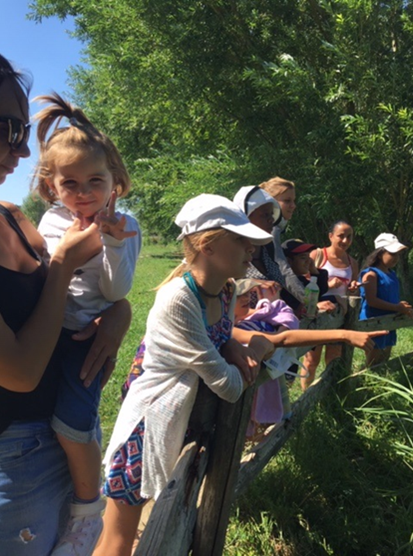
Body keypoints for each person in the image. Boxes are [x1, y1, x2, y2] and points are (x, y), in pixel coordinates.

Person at [0, 54, 131, 556]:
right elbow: (18, 372)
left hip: (66, 426)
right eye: (6, 128)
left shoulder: (15, 218)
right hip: (12, 457)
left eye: (20, 132)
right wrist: (60, 267)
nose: (18, 147)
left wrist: (117, 314)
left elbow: (87, 293)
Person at [95, 194, 275, 556]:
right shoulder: (179, 299)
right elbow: (227, 385)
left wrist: (231, 346)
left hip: (182, 426)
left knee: (166, 525)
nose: (250, 250)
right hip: (147, 431)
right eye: (240, 239)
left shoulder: (223, 292)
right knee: (118, 540)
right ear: (208, 244)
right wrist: (256, 349)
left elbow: (220, 342)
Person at [31, 93, 141, 555]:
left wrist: (112, 245)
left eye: (95, 181)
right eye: (69, 182)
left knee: (71, 423)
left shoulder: (124, 225)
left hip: (81, 336)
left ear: (115, 182)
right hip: (45, 331)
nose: (83, 193)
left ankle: (87, 507)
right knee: (47, 421)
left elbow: (116, 294)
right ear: (51, 186)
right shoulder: (52, 222)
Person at [234, 278, 299, 438]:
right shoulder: (228, 327)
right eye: (239, 295)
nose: (246, 298)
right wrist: (343, 335)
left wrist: (282, 328)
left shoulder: (250, 314)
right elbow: (276, 339)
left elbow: (282, 311)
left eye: (248, 294)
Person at [300, 220, 359, 389]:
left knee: (334, 358)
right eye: (341, 236)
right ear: (331, 236)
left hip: (339, 316)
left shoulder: (352, 262)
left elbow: (351, 293)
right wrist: (326, 286)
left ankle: (329, 395)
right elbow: (301, 283)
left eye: (349, 237)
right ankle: (304, 395)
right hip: (318, 314)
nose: (346, 241)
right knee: (311, 360)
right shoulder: (317, 255)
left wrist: (353, 288)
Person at [359, 233, 413, 366]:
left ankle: (381, 381)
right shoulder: (371, 274)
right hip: (374, 321)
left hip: (389, 320)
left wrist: (400, 307)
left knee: (385, 356)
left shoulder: (392, 274)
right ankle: (367, 382)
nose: (396, 258)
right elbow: (372, 300)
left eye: (398, 254)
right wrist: (397, 307)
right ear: (379, 254)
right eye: (393, 254)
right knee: (374, 358)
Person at [259, 176, 307, 304]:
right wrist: (309, 301)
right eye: (287, 201)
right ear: (271, 203)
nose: (293, 206)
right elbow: (283, 270)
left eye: (293, 201)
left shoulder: (275, 229)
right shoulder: (272, 229)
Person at [233, 185, 284, 289]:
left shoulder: (268, 247)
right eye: (265, 215)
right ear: (246, 216)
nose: (271, 220)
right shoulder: (233, 250)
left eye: (271, 214)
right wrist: (250, 283)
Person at [280, 238, 336, 317]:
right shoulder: (283, 284)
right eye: (303, 258)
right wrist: (313, 306)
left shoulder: (301, 280)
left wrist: (314, 272)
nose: (308, 261)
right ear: (289, 261)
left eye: (308, 257)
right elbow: (292, 303)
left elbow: (320, 291)